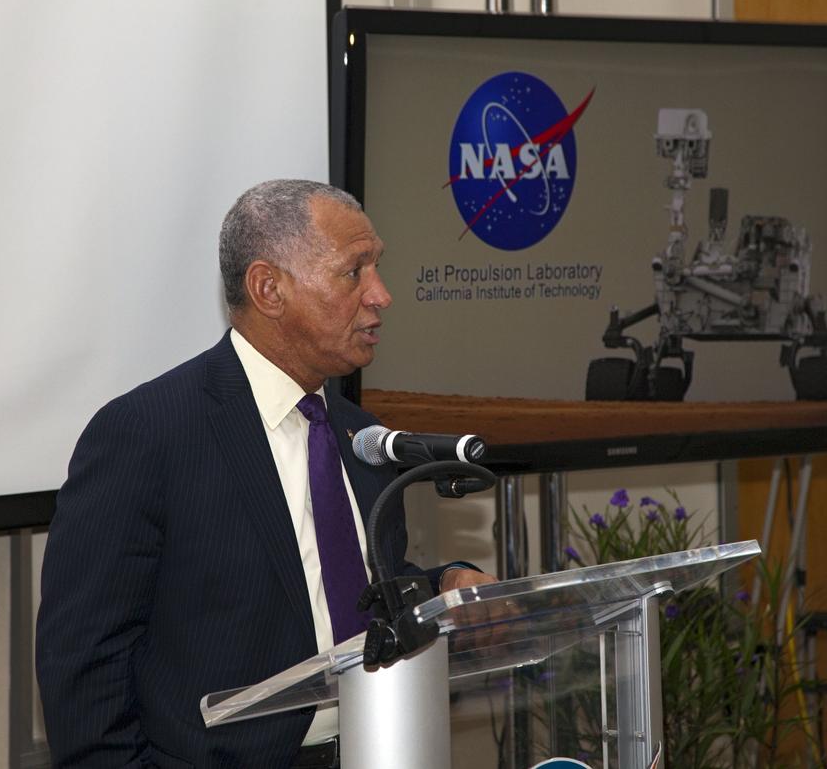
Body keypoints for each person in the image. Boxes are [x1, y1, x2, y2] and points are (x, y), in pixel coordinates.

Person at [36, 179, 494, 768]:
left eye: (377, 267)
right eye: (354, 272)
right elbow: (84, 663)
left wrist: (444, 589)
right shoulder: (148, 433)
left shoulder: (362, 435)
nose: (381, 295)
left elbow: (347, 595)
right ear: (268, 288)